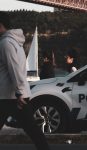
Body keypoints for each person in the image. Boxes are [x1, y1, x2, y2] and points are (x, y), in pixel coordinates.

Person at [0, 12, 50, 150]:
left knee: (32, 129)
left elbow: (14, 69)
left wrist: (19, 93)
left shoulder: (5, 43)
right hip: (16, 94)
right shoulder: (15, 42)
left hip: (9, 96)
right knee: (32, 129)